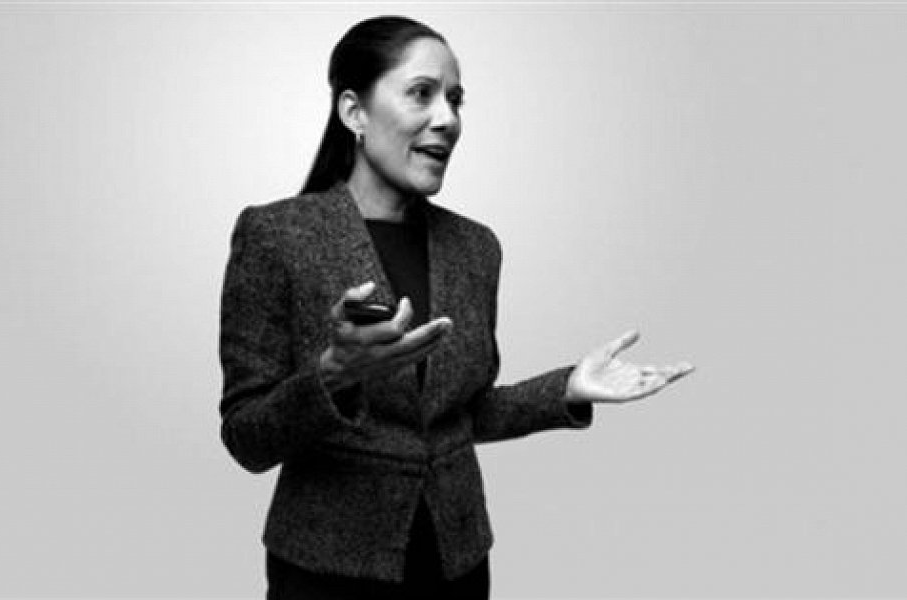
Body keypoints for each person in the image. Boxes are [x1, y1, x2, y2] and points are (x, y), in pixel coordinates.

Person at [218, 15, 694, 600]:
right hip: (325, 573)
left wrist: (567, 388)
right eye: (421, 93)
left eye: (455, 99)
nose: (447, 119)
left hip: (457, 563)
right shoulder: (276, 237)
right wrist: (332, 376)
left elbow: (459, 415)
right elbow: (246, 437)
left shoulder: (476, 248)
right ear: (354, 112)